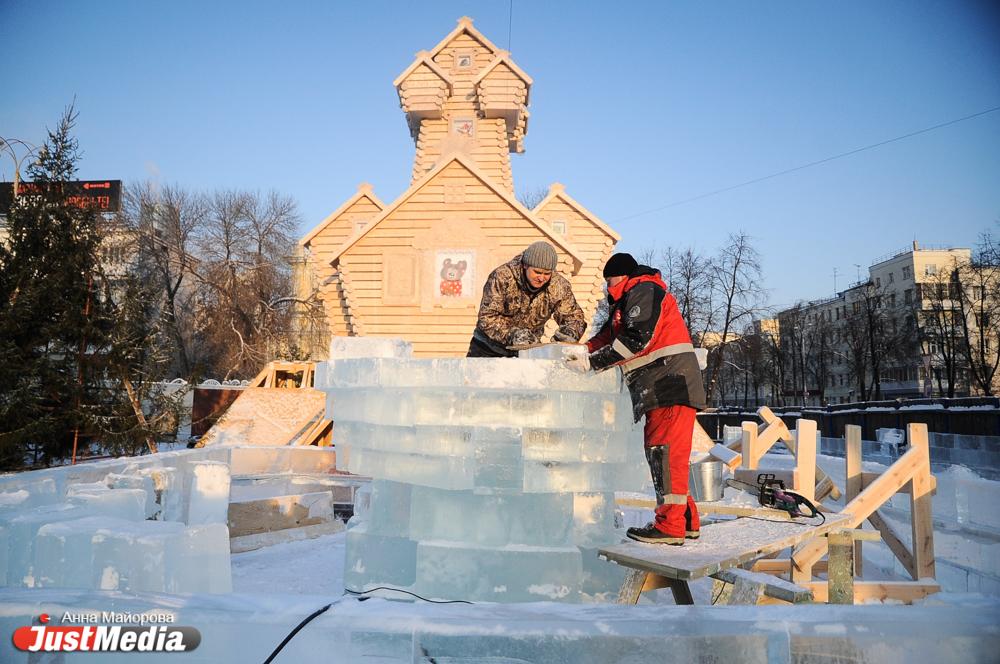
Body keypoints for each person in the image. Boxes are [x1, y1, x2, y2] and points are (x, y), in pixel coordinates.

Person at [564, 252, 707, 545]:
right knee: (668, 456)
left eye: (610, 280)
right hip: (662, 387)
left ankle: (669, 526)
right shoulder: (627, 301)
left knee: (664, 455)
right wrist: (582, 349)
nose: (607, 287)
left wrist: (591, 363)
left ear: (624, 276)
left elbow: (635, 340)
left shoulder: (644, 290)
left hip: (670, 384)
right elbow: (607, 336)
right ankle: (686, 519)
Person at [467, 241, 587, 358]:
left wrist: (570, 332)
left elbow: (574, 318)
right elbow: (487, 317)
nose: (541, 278)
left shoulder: (558, 286)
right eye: (537, 272)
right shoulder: (501, 277)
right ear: (525, 265)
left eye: (547, 273)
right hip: (487, 349)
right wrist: (513, 334)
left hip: (527, 352)